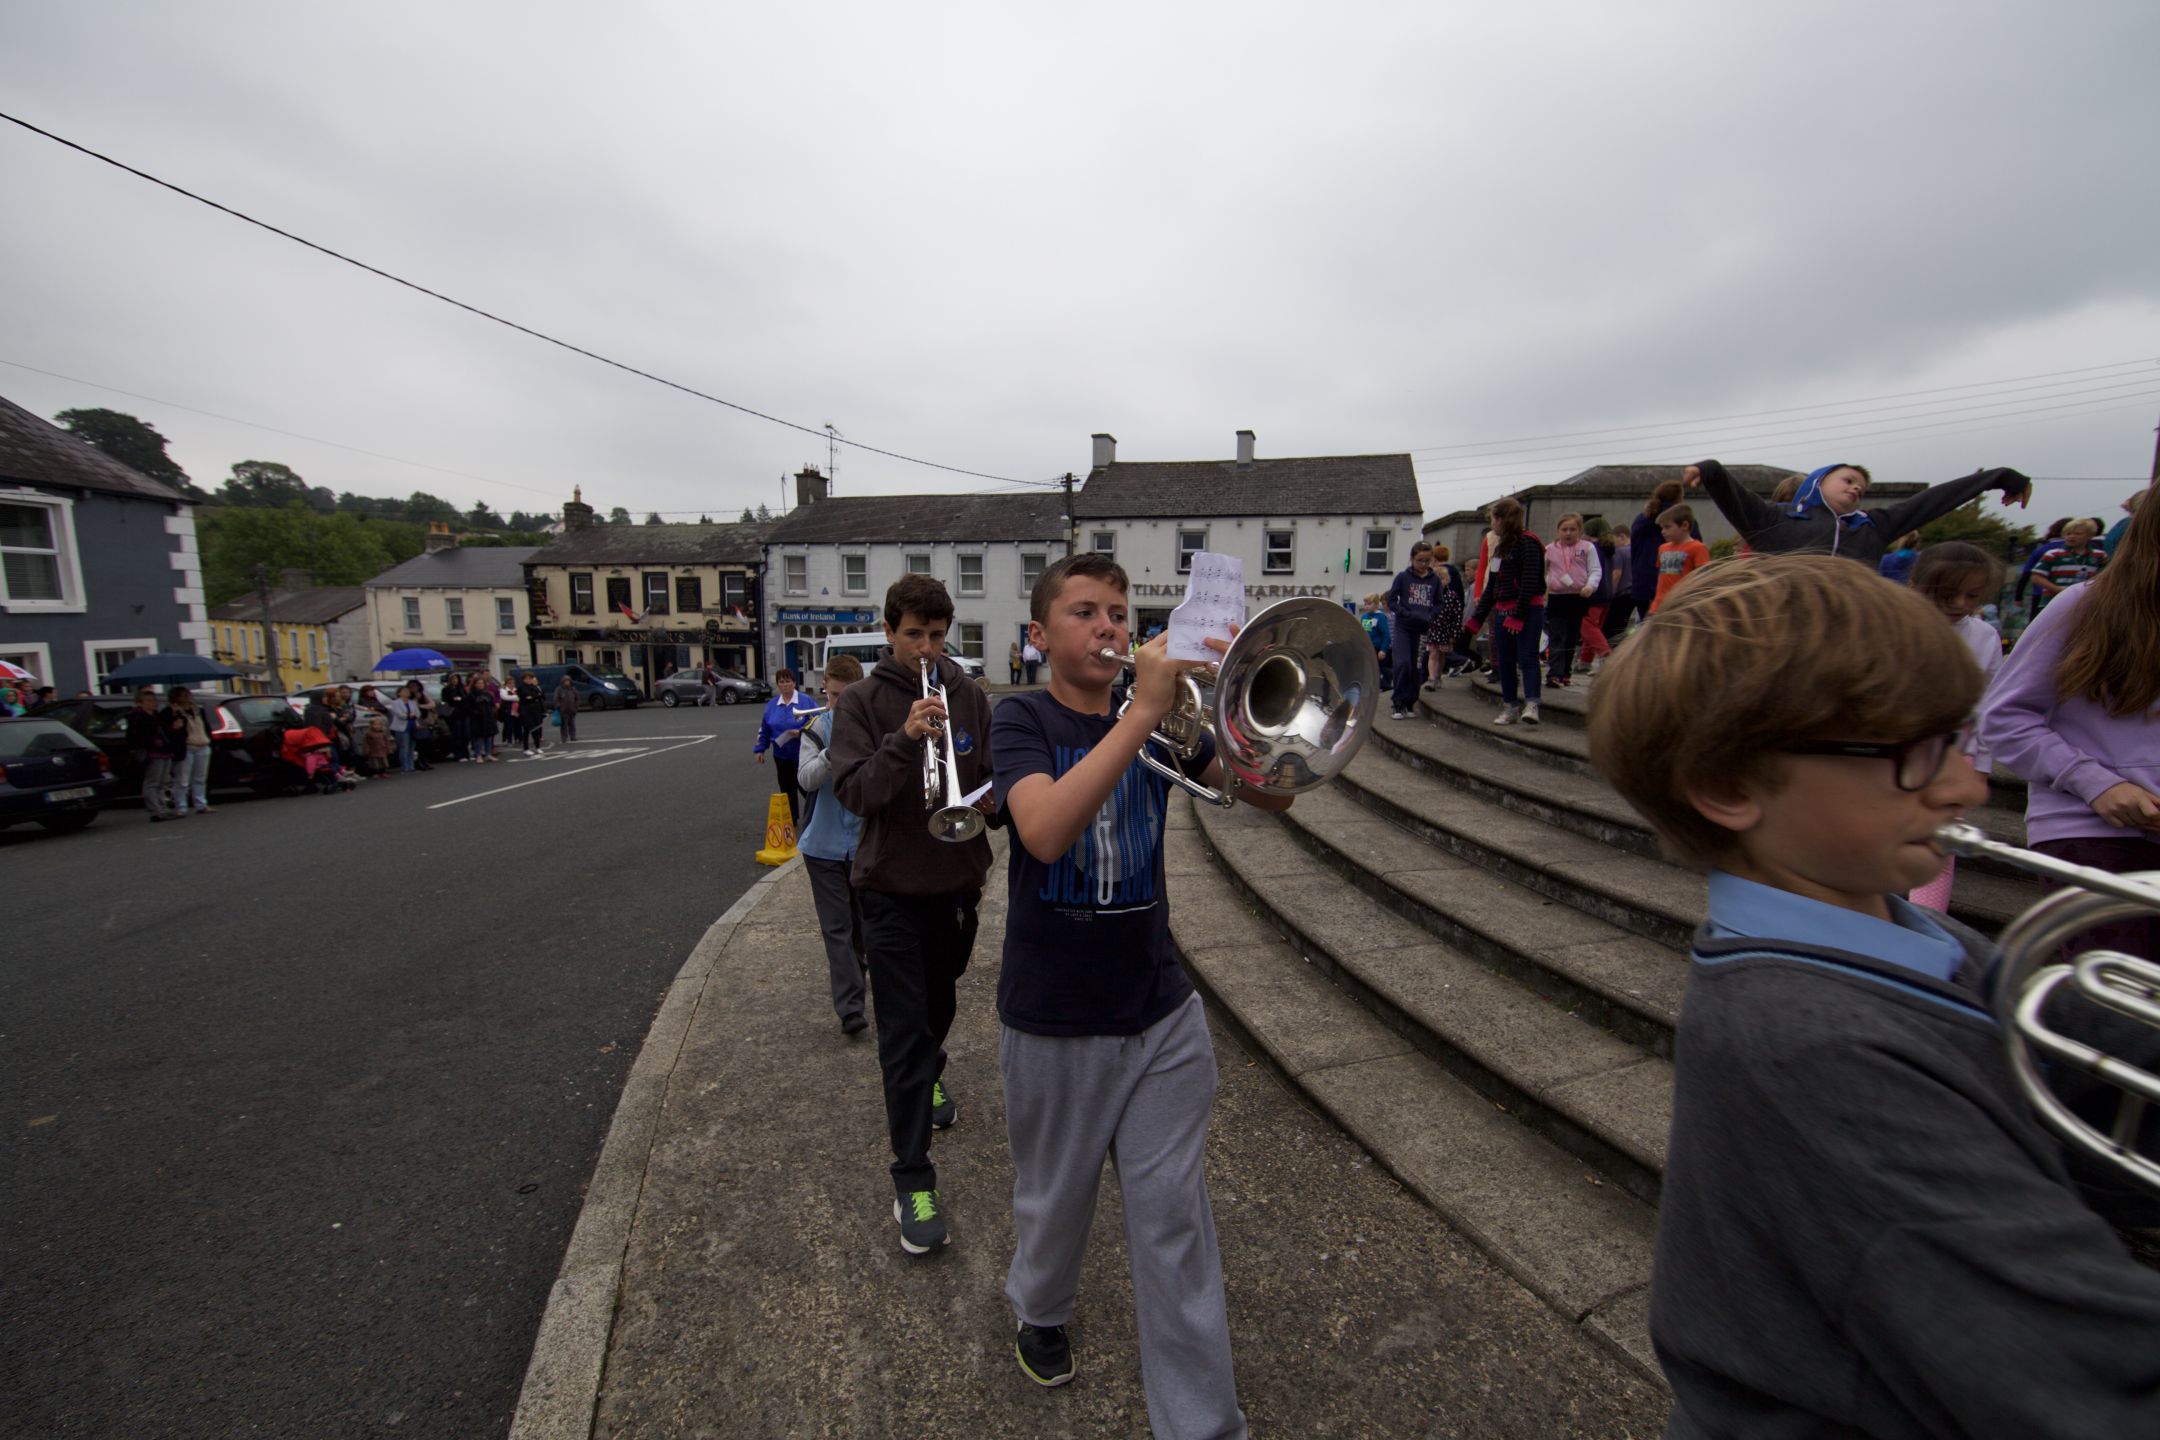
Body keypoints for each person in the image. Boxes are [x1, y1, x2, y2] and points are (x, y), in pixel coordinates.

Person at [1586, 553, 2160, 1436]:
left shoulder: (1913, 930)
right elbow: (2081, 1379)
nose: (1969, 788)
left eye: (1958, 739)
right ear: (1731, 787)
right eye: (1915, 755)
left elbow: (2106, 1075)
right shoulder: (1812, 1050)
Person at [992, 552, 1284, 1429]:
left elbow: (1272, 801)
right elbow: (1041, 830)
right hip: (1053, 1013)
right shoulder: (1021, 721)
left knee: (1175, 1226)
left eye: (1119, 612)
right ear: (1040, 634)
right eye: (1084, 612)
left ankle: (1202, 1424)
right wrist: (1143, 712)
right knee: (1055, 1199)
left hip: (1160, 1010)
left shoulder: (1158, 722)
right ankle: (1039, 1306)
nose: (1110, 627)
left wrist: (1239, 715)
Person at [828, 575, 997, 1256]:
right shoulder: (864, 703)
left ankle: (931, 1072)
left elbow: (986, 771)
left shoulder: (970, 694)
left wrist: (991, 798)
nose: (927, 647)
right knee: (902, 1033)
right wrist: (903, 737)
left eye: (937, 633)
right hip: (889, 889)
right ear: (889, 631)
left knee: (940, 1009)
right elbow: (856, 795)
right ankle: (913, 1179)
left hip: (956, 883)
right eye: (913, 635)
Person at [1980, 480, 2160, 959]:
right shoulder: (2085, 605)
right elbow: (2003, 717)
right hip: (2095, 836)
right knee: (2112, 1020)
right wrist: (2095, 783)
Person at [1684, 457, 2033, 567]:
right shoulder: (1775, 520)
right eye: (1848, 480)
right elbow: (1735, 497)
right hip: (1775, 627)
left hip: (1851, 630)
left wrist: (1998, 478)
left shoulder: (1873, 527)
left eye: (1861, 489)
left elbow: (1933, 501)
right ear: (1818, 483)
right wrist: (1711, 470)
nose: (1856, 488)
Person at [1906, 542, 2005, 911]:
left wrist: (1980, 765)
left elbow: (1989, 704)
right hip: (1890, 753)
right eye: (1948, 594)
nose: (1961, 604)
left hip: (1953, 753)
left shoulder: (1984, 636)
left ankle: (1926, 926)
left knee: (1939, 845)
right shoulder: (1892, 623)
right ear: (1916, 584)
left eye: (1973, 595)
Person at [796, 655, 869, 1036]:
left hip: (862, 845)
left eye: (844, 696)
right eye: (831, 694)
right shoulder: (815, 728)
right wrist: (831, 752)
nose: (835, 703)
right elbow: (806, 780)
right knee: (836, 928)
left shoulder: (872, 727)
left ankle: (857, 975)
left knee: (861, 927)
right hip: (822, 847)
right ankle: (851, 1008)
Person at [1461, 498, 1545, 726]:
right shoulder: (1500, 548)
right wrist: (1476, 619)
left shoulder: (1529, 543)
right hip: (1503, 610)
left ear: (1502, 519)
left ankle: (1532, 704)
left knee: (1527, 657)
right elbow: (1493, 586)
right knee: (1504, 660)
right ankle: (1510, 706)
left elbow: (1530, 581)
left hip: (1528, 611)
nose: (1491, 524)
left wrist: (1518, 614)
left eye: (1492, 519)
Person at [1542, 512, 1601, 688]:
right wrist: (1547, 584)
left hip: (1579, 596)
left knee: (1571, 636)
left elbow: (1595, 569)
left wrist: (1591, 586)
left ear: (1580, 530)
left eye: (1573, 529)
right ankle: (1554, 673)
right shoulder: (1549, 549)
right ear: (1558, 531)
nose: (1568, 533)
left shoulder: (1587, 548)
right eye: (1564, 529)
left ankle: (1565, 672)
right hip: (1557, 597)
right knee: (1557, 634)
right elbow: (1542, 571)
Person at [1383, 541, 1441, 720]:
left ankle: (1410, 701)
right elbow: (1391, 601)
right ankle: (1398, 701)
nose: (1423, 564)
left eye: (1427, 560)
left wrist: (1431, 615)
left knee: (1415, 667)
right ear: (1412, 559)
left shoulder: (1435, 580)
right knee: (1403, 663)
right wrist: (1404, 613)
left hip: (1422, 628)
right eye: (1419, 560)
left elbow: (1439, 603)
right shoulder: (1402, 577)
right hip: (1404, 627)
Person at [752, 669, 809, 828]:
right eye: (781, 682)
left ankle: (817, 816)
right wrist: (760, 749)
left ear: (794, 682)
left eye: (788, 681)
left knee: (806, 787)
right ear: (778, 685)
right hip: (781, 754)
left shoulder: (805, 701)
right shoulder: (772, 705)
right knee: (786, 788)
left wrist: (802, 731)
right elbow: (764, 728)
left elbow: (817, 721)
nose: (785, 685)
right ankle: (792, 819)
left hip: (803, 753)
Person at [1629, 481, 1688, 626]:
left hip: (1641, 584)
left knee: (1645, 630)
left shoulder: (1640, 520)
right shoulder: (1682, 522)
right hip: (1671, 586)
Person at [2026, 516, 2108, 615]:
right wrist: (2058, 589)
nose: (2071, 536)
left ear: (2089, 535)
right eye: (2068, 534)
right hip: (2053, 603)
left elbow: (2104, 576)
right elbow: (2036, 577)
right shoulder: (2053, 554)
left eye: (2078, 534)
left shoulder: (2100, 555)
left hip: (2084, 604)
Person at [126, 686, 183, 822]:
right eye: (149, 701)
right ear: (140, 702)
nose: (153, 703)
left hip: (164, 751)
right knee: (152, 782)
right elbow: (136, 736)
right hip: (152, 752)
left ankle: (163, 808)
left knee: (163, 782)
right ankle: (155, 811)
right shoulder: (137, 717)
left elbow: (165, 730)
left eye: (154, 700)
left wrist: (173, 722)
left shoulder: (156, 715)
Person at [1418, 545, 1466, 689]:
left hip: (1445, 629)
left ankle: (1438, 675)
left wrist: (1454, 633)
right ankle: (1432, 678)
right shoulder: (1430, 597)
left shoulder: (1452, 597)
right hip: (1433, 629)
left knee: (1442, 654)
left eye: (1443, 578)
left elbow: (1456, 616)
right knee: (1433, 653)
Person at [1649, 503, 1711, 614]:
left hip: (1681, 606)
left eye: (1667, 527)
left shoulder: (1698, 548)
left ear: (1684, 526)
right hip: (1658, 606)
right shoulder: (1662, 548)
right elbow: (1661, 577)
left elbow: (1702, 578)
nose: (1663, 531)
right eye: (1662, 528)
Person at [165, 685, 215, 815]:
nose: (187, 697)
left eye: (188, 694)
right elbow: (168, 730)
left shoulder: (198, 710)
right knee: (182, 779)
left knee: (200, 778)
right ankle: (181, 807)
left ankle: (201, 804)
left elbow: (206, 726)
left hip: (202, 745)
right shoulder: (171, 712)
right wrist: (175, 719)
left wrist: (208, 737)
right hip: (186, 747)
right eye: (183, 695)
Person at [388, 683, 422, 774]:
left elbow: (418, 714)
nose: (407, 692)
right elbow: (398, 714)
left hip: (412, 726)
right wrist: (408, 715)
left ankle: (411, 766)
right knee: (404, 747)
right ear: (399, 693)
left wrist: (414, 715)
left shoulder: (412, 702)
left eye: (407, 691)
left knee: (411, 747)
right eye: (404, 691)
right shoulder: (395, 702)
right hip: (401, 727)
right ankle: (404, 767)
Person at [1357, 592, 1392, 677]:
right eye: (1365, 604)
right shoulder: (1364, 617)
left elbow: (1386, 634)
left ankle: (1387, 683)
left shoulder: (1380, 617)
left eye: (1369, 604)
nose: (1366, 606)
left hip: (1378, 649)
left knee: (1381, 669)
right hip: (1367, 648)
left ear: (1376, 605)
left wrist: (1383, 649)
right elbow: (1364, 632)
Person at [515, 671, 546, 754]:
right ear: (523, 679)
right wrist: (534, 697)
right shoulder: (521, 688)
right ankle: (526, 748)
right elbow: (524, 698)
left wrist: (533, 697)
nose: (528, 680)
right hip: (525, 710)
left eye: (530, 678)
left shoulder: (534, 687)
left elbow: (541, 696)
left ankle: (538, 747)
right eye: (527, 679)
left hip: (535, 710)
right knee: (527, 729)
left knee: (536, 728)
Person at [441, 674, 470, 762]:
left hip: (463, 713)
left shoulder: (461, 688)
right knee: (457, 734)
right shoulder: (446, 689)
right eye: (453, 679)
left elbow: (466, 698)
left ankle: (466, 753)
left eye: (456, 678)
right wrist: (454, 699)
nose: (455, 680)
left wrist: (461, 699)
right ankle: (459, 754)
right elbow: (445, 700)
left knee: (466, 734)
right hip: (454, 714)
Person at [553, 673, 579, 743]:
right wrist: (558, 706)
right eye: (565, 681)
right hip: (563, 710)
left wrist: (576, 707)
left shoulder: (573, 689)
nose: (567, 682)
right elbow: (556, 699)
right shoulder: (559, 689)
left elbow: (577, 698)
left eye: (568, 681)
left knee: (572, 724)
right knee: (564, 725)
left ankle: (573, 736)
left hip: (572, 709)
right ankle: (564, 737)